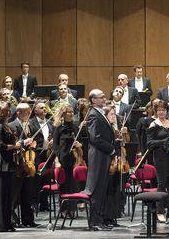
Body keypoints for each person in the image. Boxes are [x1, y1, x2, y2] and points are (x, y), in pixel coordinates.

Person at [83, 89, 115, 231]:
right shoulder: (94, 115)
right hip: (98, 156)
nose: (104, 98)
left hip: (103, 155)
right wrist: (111, 149)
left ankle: (100, 220)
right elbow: (95, 138)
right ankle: (94, 222)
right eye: (101, 97)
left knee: (102, 188)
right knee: (96, 189)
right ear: (93, 100)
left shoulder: (99, 113)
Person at [146, 99, 169, 224]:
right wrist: (166, 141)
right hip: (160, 157)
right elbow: (149, 144)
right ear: (156, 111)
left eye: (163, 110)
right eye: (159, 110)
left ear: (167, 111)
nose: (161, 112)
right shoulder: (153, 125)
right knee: (162, 184)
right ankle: (160, 212)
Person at [0, 101, 19, 232]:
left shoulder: (6, 126)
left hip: (9, 164)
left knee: (8, 197)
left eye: (9, 110)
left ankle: (8, 224)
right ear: (0, 112)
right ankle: (1, 226)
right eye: (6, 110)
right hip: (1, 165)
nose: (9, 112)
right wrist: (15, 146)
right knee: (1, 198)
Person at [8, 103, 37, 228]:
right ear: (18, 113)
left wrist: (32, 143)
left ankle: (28, 220)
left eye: (29, 111)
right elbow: (13, 144)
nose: (29, 114)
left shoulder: (29, 125)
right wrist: (24, 142)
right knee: (14, 194)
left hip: (28, 162)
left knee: (27, 193)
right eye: (26, 112)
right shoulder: (11, 125)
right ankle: (10, 219)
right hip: (17, 164)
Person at [53, 104, 81, 218]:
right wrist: (57, 160)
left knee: (73, 185)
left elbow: (80, 142)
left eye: (72, 112)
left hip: (74, 159)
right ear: (63, 114)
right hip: (63, 159)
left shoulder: (75, 127)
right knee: (64, 185)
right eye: (68, 112)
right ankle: (64, 209)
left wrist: (79, 145)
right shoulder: (58, 127)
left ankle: (72, 209)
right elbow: (55, 145)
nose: (71, 114)